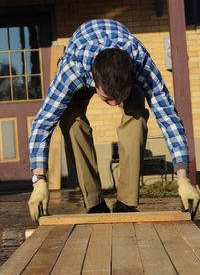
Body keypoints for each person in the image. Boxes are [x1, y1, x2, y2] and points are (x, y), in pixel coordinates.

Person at [28, 19, 199, 222]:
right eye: (107, 98)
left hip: (125, 63)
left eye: (121, 97)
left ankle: (126, 204)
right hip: (81, 58)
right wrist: (39, 180)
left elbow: (168, 118)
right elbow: (43, 123)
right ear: (93, 79)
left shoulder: (141, 64)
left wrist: (183, 178)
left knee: (136, 116)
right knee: (71, 121)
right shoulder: (73, 68)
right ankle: (94, 203)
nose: (114, 103)